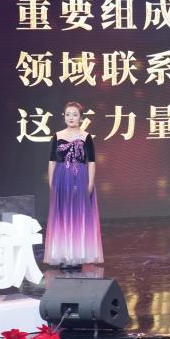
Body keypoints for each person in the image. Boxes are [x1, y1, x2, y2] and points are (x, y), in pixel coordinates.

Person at [44, 101, 104, 268]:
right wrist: (52, 183)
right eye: (68, 114)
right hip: (62, 179)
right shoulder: (57, 136)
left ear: (81, 118)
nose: (71, 117)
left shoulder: (86, 137)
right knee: (63, 215)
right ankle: (64, 255)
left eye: (75, 114)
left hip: (80, 178)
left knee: (78, 216)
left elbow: (92, 162)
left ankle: (77, 255)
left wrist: (90, 184)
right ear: (64, 116)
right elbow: (51, 162)